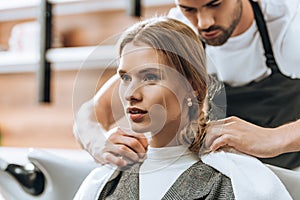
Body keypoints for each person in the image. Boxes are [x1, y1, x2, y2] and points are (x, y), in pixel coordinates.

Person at [74, 17, 291, 200]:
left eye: (150, 77)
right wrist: (96, 141)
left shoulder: (232, 183)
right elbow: (88, 115)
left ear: (193, 87)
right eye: (125, 78)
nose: (131, 93)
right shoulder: (104, 183)